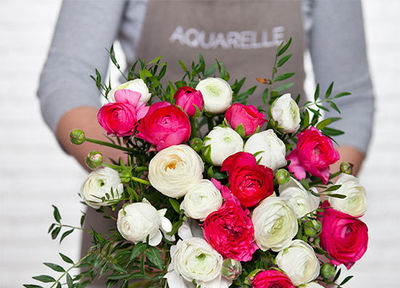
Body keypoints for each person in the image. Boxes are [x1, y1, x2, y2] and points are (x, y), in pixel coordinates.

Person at [38, 0, 374, 177]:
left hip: (281, 254)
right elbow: (66, 78)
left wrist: (313, 206)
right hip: (137, 247)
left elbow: (352, 100)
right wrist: (144, 187)